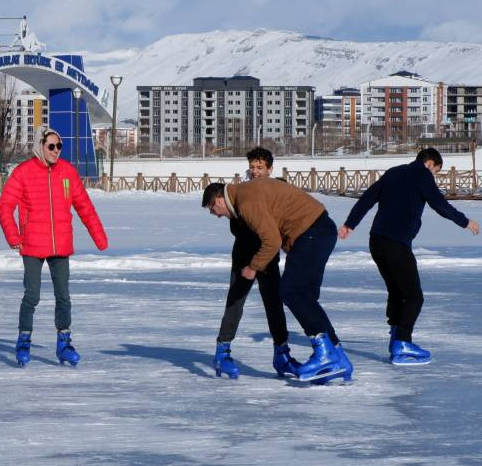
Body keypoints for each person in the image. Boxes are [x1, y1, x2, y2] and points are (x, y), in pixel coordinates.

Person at [202, 178, 352, 383]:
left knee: (291, 292)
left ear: (218, 201)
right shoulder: (247, 194)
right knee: (305, 298)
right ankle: (338, 357)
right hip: (319, 230)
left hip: (308, 234)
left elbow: (272, 241)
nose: (216, 216)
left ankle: (325, 354)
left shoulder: (246, 201)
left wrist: (253, 267)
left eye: (212, 211)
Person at [339, 147, 480, 365]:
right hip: (396, 243)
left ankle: (396, 337)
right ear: (430, 164)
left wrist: (350, 224)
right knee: (414, 296)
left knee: (397, 291)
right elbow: (439, 204)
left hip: (376, 240)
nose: (434, 177)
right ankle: (403, 343)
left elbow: (367, 198)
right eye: (436, 172)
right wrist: (465, 221)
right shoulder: (422, 174)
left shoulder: (394, 172)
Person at [0, 128, 108, 367]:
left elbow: (84, 206)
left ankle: (64, 343)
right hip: (32, 243)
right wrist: (13, 236)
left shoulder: (67, 172)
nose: (56, 151)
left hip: (61, 244)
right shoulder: (23, 172)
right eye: (51, 146)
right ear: (40, 146)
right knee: (32, 295)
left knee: (63, 297)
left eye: (59, 146)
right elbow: (5, 205)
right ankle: (24, 340)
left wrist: (99, 237)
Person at [212, 147, 300, 379]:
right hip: (243, 255)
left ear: (270, 169)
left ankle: (282, 354)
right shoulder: (241, 192)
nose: (255, 171)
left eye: (260, 167)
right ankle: (222, 351)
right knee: (235, 301)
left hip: (268, 256)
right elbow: (233, 225)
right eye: (252, 167)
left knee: (274, 304)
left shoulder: (278, 187)